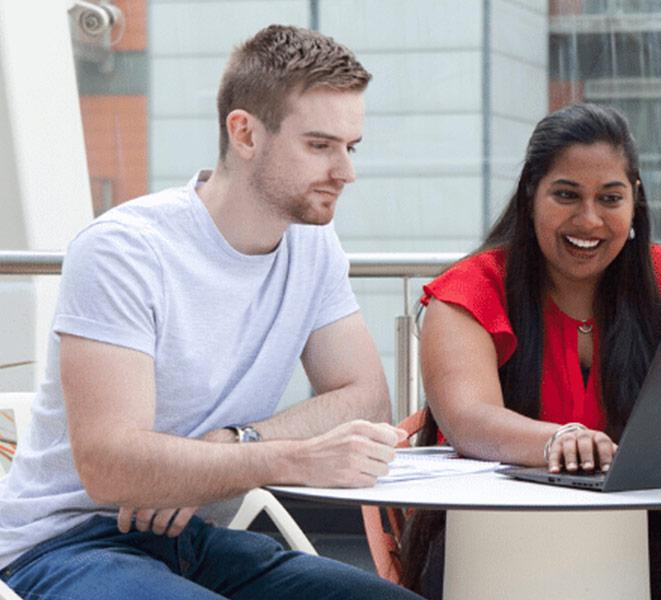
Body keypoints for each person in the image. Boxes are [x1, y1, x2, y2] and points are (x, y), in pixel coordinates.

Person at [0, 25, 421, 600]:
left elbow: (366, 397)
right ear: (244, 133)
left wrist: (229, 448)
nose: (346, 172)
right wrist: (293, 457)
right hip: (68, 541)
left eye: (352, 147)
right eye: (320, 146)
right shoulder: (126, 249)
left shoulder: (313, 246)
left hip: (191, 535)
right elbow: (111, 467)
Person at [394, 103, 661, 600]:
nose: (589, 219)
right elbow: (468, 419)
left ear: (634, 200)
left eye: (610, 198)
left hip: (653, 527)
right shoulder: (470, 290)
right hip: (492, 526)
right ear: (530, 194)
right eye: (566, 195)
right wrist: (561, 440)